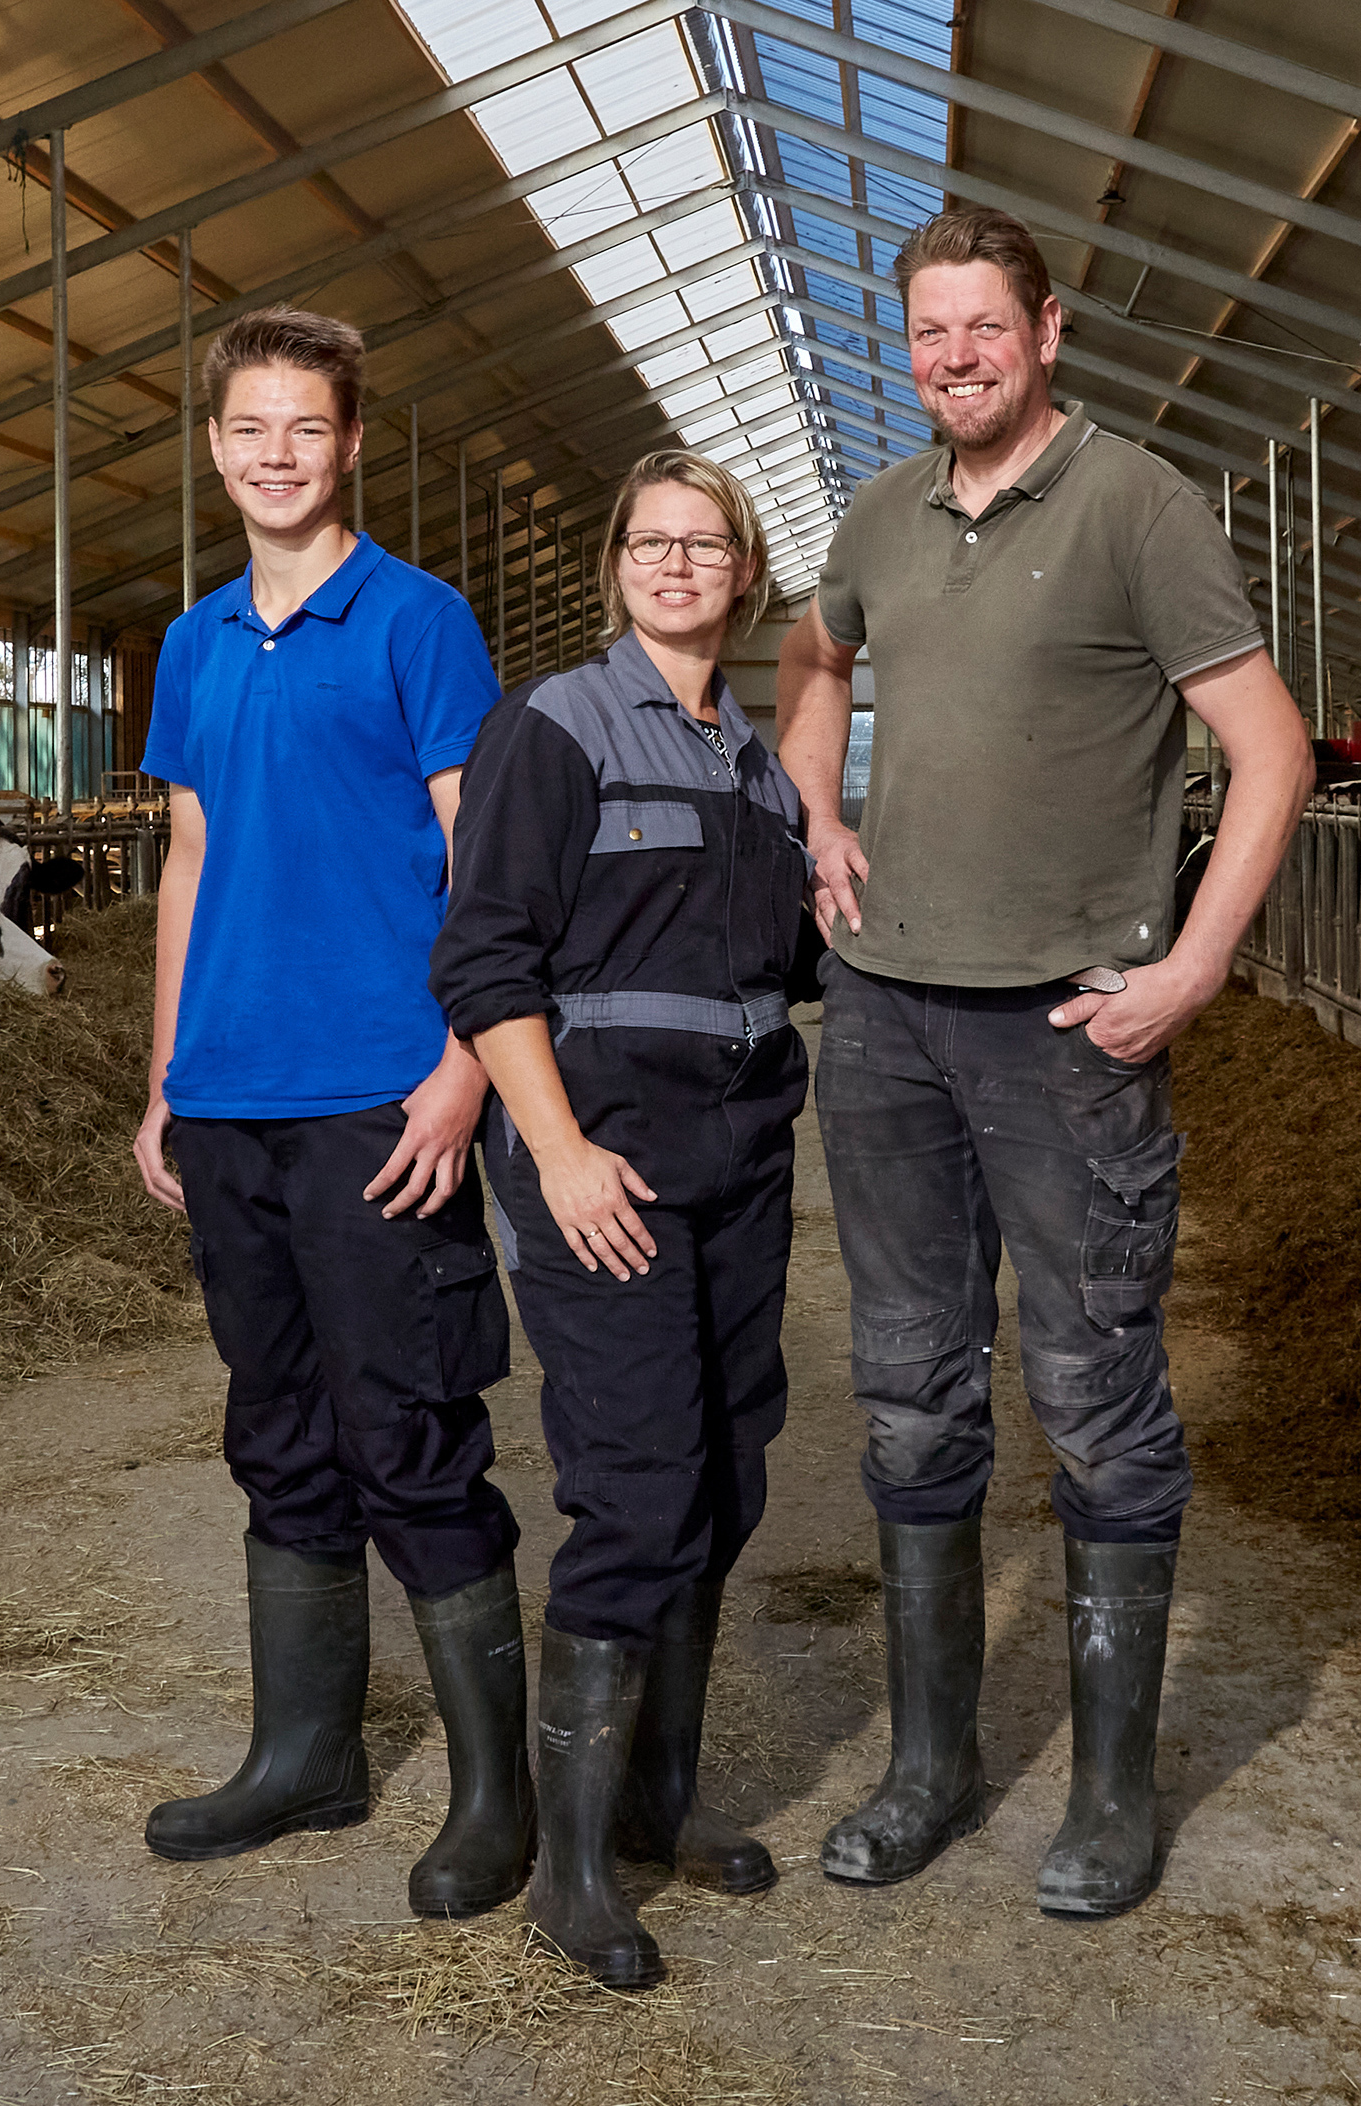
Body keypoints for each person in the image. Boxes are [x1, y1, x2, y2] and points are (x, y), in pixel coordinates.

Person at [773, 205, 1313, 1917]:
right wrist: (812, 816)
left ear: (1046, 329)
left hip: (1064, 1027)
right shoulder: (876, 514)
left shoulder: (1135, 506)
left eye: (979, 331)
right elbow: (807, 660)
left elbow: (1269, 746)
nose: (951, 359)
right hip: (880, 1022)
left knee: (1091, 1397)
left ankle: (1104, 1795)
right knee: (911, 1386)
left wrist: (1198, 962)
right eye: (925, 334)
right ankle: (927, 1768)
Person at [128, 306, 525, 1919]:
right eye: (248, 428)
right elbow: (186, 855)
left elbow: (484, 864)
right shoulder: (194, 638)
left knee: (407, 1431)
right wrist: (163, 1080)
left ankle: (497, 1790)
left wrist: (462, 1068)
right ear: (212, 445)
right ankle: (306, 1751)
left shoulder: (415, 622)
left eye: (305, 427)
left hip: (380, 1093)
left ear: (350, 441)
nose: (275, 453)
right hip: (230, 1099)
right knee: (275, 1428)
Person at [431, 452, 809, 1990]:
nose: (674, 563)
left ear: (744, 572)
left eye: (702, 543)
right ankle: (573, 1869)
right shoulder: (556, 726)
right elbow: (483, 959)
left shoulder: (759, 765)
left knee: (725, 1473)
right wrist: (560, 1150)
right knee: (640, 1483)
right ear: (616, 564)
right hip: (607, 1164)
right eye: (650, 541)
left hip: (741, 1160)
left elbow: (797, 970)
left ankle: (657, 1792)